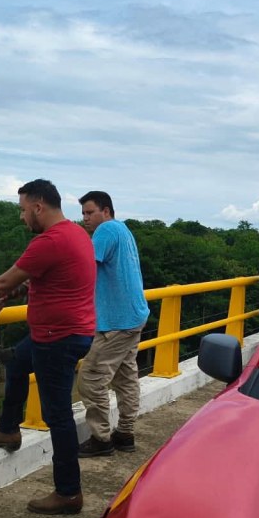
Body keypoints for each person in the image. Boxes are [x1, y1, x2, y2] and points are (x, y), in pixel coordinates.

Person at [0, 179, 95, 515]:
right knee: (18, 362)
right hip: (66, 333)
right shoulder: (76, 233)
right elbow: (42, 280)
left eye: (23, 210)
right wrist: (12, 295)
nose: (21, 218)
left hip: (57, 338)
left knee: (58, 415)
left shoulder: (49, 241)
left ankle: (68, 493)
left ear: (38, 206)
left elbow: (4, 280)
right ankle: (8, 430)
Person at [75, 191, 150, 457]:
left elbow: (84, 268)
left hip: (116, 321)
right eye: (83, 213)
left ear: (106, 211)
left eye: (90, 212)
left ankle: (101, 439)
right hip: (133, 315)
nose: (85, 218)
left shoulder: (105, 231)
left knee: (91, 377)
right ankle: (125, 433)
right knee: (125, 376)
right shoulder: (123, 230)